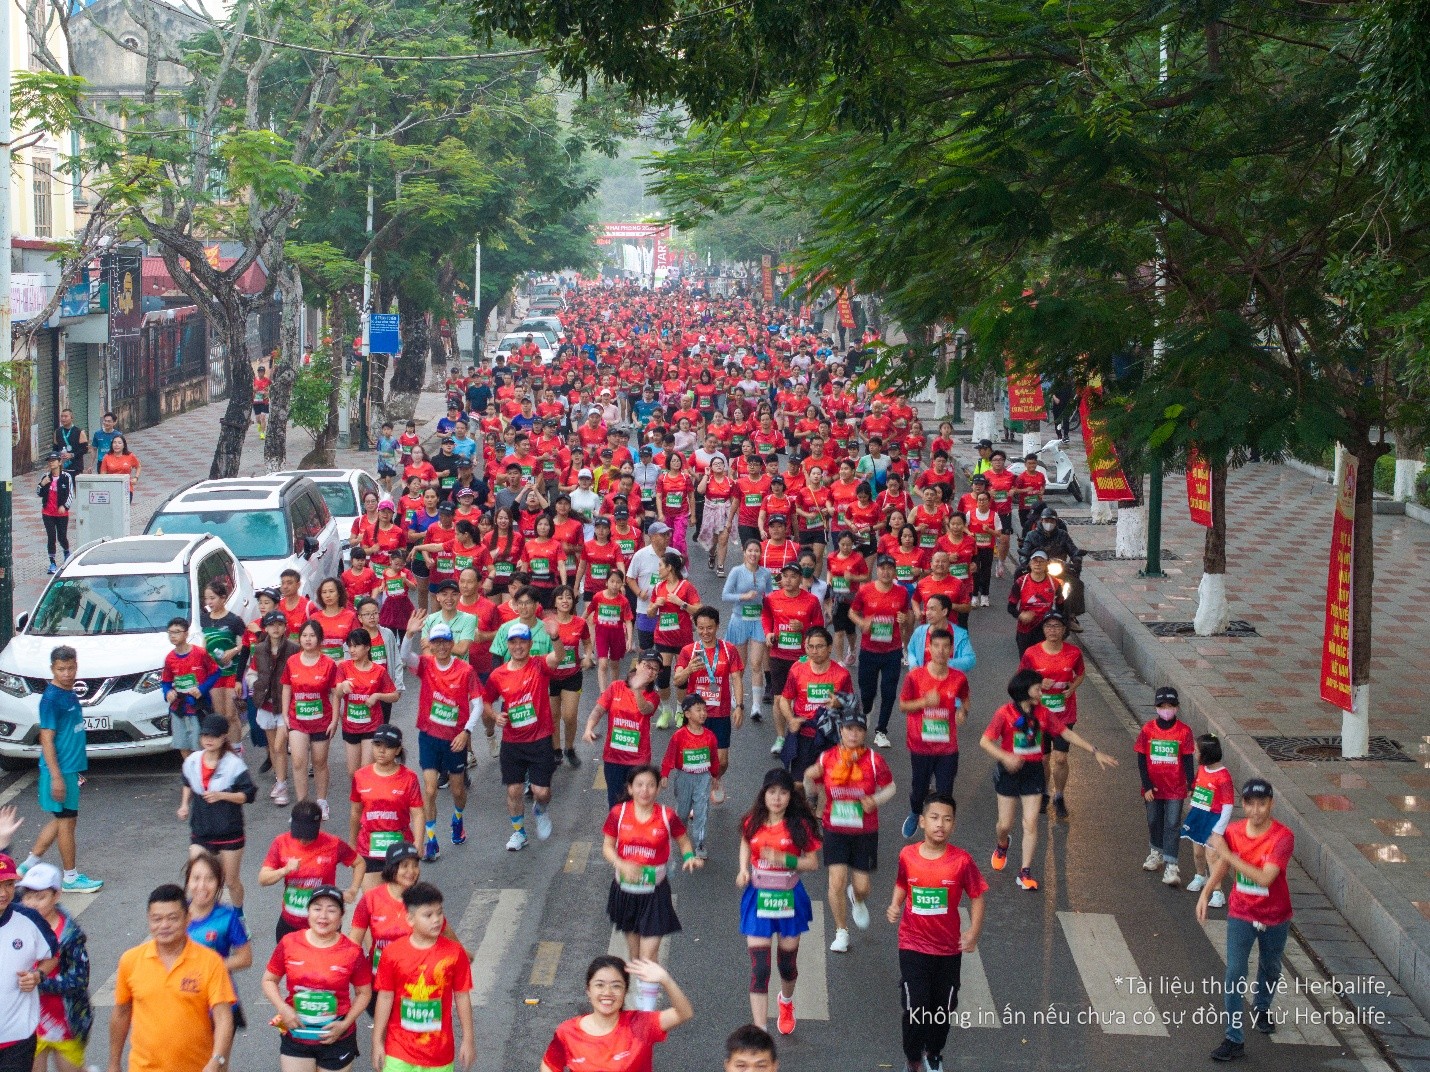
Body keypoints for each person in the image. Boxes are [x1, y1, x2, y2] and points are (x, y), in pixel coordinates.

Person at [979, 669, 1118, 892]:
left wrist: (1094, 751)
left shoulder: (1043, 714)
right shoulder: (1004, 713)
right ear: (1025, 690)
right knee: (1005, 824)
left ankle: (1025, 872)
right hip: (1009, 771)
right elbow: (985, 741)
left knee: (1031, 822)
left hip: (1033, 771)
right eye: (1037, 689)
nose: (1041, 693)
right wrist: (1005, 757)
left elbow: (1066, 733)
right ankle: (1002, 844)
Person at [886, 792, 987, 1072]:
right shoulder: (908, 855)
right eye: (934, 818)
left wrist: (973, 933)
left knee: (943, 1007)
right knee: (916, 1005)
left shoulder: (961, 861)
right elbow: (902, 883)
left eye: (947, 819)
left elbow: (977, 896)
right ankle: (913, 1058)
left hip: (947, 949)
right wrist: (895, 904)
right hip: (912, 944)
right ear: (921, 822)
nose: (940, 824)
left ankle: (934, 1053)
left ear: (953, 825)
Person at [1199, 779, 1296, 1062]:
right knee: (1234, 973)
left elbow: (1265, 877)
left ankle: (1262, 1007)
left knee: (1271, 967)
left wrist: (1227, 853)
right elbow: (1223, 866)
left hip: (1275, 915)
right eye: (1250, 804)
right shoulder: (1234, 831)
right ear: (1244, 805)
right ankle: (1233, 1037)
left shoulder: (1283, 837)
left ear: (1271, 804)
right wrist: (1206, 892)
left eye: (1262, 804)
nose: (1256, 811)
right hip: (1241, 912)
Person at [108, 884, 235, 1072]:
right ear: (148, 921)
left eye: (172, 918)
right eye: (156, 919)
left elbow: (223, 1018)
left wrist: (216, 1060)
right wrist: (113, 1063)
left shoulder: (210, 962)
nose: (164, 926)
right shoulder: (131, 960)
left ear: (187, 919)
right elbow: (121, 1014)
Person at [602, 765, 702, 1004]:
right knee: (636, 956)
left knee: (648, 954)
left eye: (650, 785)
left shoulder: (667, 816)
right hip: (625, 893)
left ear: (658, 789)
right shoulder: (619, 813)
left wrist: (689, 857)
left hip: (655, 894)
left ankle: (646, 1011)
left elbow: (683, 840)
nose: (644, 790)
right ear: (630, 788)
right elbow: (607, 846)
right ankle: (641, 991)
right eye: (639, 785)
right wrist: (621, 863)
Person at [736, 767, 822, 1035]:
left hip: (788, 896)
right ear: (763, 794)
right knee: (760, 969)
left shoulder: (800, 825)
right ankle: (760, 1029)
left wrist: (784, 859)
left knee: (787, 965)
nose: (777, 798)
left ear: (790, 796)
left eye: (783, 792)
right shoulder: (753, 821)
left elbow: (812, 863)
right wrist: (743, 869)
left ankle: (785, 1002)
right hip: (759, 896)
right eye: (772, 792)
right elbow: (745, 843)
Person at [803, 710, 896, 954]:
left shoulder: (874, 761)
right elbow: (810, 783)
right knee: (836, 880)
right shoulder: (828, 758)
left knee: (863, 885)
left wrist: (875, 800)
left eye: (858, 730)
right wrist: (808, 781)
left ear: (864, 733)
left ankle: (857, 897)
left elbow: (891, 787)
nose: (853, 734)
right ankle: (841, 931)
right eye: (849, 729)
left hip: (865, 830)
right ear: (841, 731)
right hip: (834, 827)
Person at [262, 885, 372, 1072]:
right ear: (308, 912)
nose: (323, 916)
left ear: (341, 916)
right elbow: (268, 980)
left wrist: (346, 1023)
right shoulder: (289, 943)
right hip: (297, 1034)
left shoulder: (352, 952)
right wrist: (283, 1008)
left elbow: (364, 992)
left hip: (337, 1037)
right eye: (317, 908)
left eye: (331, 910)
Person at [398, 615, 481, 861]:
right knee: (431, 789)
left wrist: (466, 732)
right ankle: (431, 839)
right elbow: (404, 658)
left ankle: (457, 818)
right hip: (429, 736)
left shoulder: (465, 670)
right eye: (437, 643)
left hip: (454, 739)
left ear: (452, 642)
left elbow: (477, 704)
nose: (442, 647)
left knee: (457, 790)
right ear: (431, 645)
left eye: (446, 642)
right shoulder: (426, 664)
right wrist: (409, 635)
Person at [20, 646, 102, 892]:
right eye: (61, 669)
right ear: (52, 669)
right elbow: (46, 739)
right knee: (66, 821)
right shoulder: (51, 699)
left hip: (69, 768)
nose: (67, 673)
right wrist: (56, 776)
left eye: (71, 668)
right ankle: (70, 877)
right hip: (60, 770)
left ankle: (27, 865)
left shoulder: (69, 693)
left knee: (62, 819)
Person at [372, 883, 476, 1072]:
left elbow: (462, 996)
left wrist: (468, 1040)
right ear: (410, 919)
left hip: (439, 1053)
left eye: (439, 912)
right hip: (399, 1050)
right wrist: (377, 1041)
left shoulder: (454, 953)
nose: (436, 920)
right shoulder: (392, 953)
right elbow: (385, 997)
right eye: (428, 915)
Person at [483, 621, 567, 851]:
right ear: (507, 645)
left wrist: (556, 636)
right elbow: (487, 701)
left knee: (542, 792)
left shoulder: (539, 665)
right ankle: (519, 833)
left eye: (522, 641)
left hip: (540, 739)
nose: (518, 646)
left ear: (530, 644)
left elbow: (558, 657)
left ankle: (540, 810)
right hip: (512, 742)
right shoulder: (498, 675)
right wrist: (494, 715)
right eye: (513, 642)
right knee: (514, 790)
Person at [540, 956, 692, 1072]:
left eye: (616, 986)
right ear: (588, 990)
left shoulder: (641, 1024)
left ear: (625, 991)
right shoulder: (567, 1032)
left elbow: (683, 1013)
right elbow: (549, 1065)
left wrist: (666, 980)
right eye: (599, 985)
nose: (607, 993)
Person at [896, 628, 971, 838]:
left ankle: (939, 831)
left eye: (945, 646)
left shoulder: (958, 678)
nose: (940, 651)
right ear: (928, 648)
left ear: (951, 650)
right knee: (919, 789)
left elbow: (965, 698)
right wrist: (924, 702)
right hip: (920, 744)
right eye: (936, 646)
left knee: (945, 790)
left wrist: (962, 711)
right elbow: (903, 706)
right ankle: (914, 813)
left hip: (947, 746)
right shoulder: (915, 677)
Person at [178, 715, 257, 908]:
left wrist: (222, 796)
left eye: (213, 736)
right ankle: (200, 917)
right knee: (196, 878)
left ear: (224, 737)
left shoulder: (234, 764)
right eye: (205, 735)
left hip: (229, 832)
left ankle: (239, 916)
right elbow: (187, 782)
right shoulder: (193, 761)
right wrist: (184, 805)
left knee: (231, 882)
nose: (208, 740)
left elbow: (248, 795)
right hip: (201, 831)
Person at [258, 802, 363, 943]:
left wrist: (353, 890)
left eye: (308, 835)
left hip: (324, 924)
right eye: (299, 834)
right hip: (290, 923)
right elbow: (263, 879)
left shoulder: (332, 843)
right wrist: (285, 870)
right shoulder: (281, 842)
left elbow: (359, 863)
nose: (303, 839)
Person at [672, 606, 744, 806]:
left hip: (720, 713)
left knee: (722, 762)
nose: (705, 632)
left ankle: (714, 779)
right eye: (701, 628)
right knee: (695, 759)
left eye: (709, 628)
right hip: (695, 715)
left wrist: (739, 706)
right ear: (696, 627)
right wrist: (688, 670)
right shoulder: (689, 651)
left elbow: (737, 678)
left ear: (718, 626)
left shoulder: (729, 650)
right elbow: (677, 679)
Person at [1017, 611, 1084, 818]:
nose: (1052, 630)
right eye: (1048, 626)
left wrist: (1072, 688)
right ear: (1043, 630)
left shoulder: (1073, 653)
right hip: (1040, 715)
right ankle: (1044, 793)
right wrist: (1036, 683)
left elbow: (1080, 674)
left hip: (1064, 714)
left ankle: (1060, 795)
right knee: (1044, 759)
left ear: (1064, 630)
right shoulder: (1032, 653)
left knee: (1061, 758)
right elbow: (1021, 679)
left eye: (1057, 626)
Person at [3, 861, 66, 1072]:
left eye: (9, 884)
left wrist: (37, 975)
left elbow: (53, 955)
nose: (3, 892)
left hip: (18, 1037)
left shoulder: (29, 919)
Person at [848, 554, 913, 749]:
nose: (886, 571)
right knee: (867, 693)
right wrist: (862, 623)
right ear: (877, 570)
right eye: (882, 567)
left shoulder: (902, 592)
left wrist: (904, 619)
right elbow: (852, 612)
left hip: (892, 651)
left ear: (894, 571)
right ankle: (867, 711)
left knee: (889, 692)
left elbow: (908, 616)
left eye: (889, 568)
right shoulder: (866, 590)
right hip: (869, 650)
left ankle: (881, 730)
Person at [1135, 686, 1197, 887]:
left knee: (1172, 824)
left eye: (1171, 706)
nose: (1167, 710)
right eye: (1163, 706)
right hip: (1152, 788)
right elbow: (1141, 759)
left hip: (1176, 789)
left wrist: (1190, 783)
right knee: (1154, 820)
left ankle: (1171, 864)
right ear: (1156, 707)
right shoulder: (1147, 730)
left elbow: (1188, 759)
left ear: (1177, 707)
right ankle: (1156, 852)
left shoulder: (1184, 732)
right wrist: (1147, 786)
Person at [349, 725, 424, 890]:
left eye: (388, 746)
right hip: (368, 848)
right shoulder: (360, 776)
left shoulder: (409, 778)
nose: (381, 751)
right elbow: (355, 812)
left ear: (397, 750)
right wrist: (352, 845)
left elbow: (417, 813)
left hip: (400, 848)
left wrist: (419, 841)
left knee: (400, 903)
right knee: (372, 903)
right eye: (377, 745)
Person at [184, 853, 252, 1033]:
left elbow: (245, 959)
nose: (202, 886)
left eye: (209, 879)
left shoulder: (228, 917)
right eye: (196, 878)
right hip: (183, 1002)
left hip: (220, 1001)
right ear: (188, 881)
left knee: (217, 1061)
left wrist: (209, 967)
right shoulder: (176, 914)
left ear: (219, 883)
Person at [763, 564, 825, 756]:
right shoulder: (772, 599)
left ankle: (802, 734)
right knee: (779, 698)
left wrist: (804, 627)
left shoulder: (811, 601)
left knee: (800, 698)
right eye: (785, 576)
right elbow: (765, 617)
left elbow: (819, 627)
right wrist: (768, 633)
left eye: (793, 576)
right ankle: (781, 737)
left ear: (800, 579)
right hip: (779, 654)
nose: (788, 580)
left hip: (803, 657)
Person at [586, 653, 662, 809]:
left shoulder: (653, 696)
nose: (650, 671)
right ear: (638, 664)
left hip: (638, 761)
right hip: (614, 759)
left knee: (638, 804)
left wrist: (637, 690)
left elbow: (645, 709)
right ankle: (617, 833)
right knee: (616, 806)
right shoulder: (616, 687)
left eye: (655, 669)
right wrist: (589, 727)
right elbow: (599, 709)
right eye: (647, 665)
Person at [281, 620, 341, 813]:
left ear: (320, 639)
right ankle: (302, 805)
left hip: (322, 721)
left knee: (319, 762)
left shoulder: (329, 664)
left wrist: (334, 720)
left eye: (312, 636)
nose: (307, 639)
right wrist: (284, 714)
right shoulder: (292, 661)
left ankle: (322, 801)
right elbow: (286, 688)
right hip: (297, 720)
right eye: (304, 635)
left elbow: (336, 693)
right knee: (298, 761)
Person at [250, 610, 300, 804]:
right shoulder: (260, 648)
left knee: (280, 745)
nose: (276, 628)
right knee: (273, 746)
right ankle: (281, 782)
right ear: (266, 628)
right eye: (271, 625)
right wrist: (255, 685)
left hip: (285, 704)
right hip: (265, 702)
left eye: (279, 624)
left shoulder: (294, 649)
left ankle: (282, 785)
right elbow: (253, 671)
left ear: (285, 626)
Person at [1181, 733, 1234, 909]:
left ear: (1207, 754)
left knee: (1212, 855)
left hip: (1214, 819)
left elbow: (1228, 806)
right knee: (1197, 852)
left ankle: (1218, 892)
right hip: (1199, 815)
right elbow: (1197, 788)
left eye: (1197, 751)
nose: (1195, 754)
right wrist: (1193, 802)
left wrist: (1218, 830)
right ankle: (1200, 875)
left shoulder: (1224, 777)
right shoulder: (1202, 770)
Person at [723, 541, 773, 724]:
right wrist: (743, 597)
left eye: (756, 551)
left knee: (756, 663)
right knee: (740, 665)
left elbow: (770, 595)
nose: (753, 554)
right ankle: (736, 700)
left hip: (758, 620)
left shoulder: (765, 573)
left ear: (760, 553)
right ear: (744, 553)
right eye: (750, 550)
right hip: (739, 620)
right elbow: (725, 595)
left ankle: (756, 706)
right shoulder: (736, 571)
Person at [201, 581, 248, 747]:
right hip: (214, 673)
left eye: (212, 598)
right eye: (206, 598)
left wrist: (233, 651)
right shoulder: (204, 620)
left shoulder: (233, 620)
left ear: (223, 597)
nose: (209, 602)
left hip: (232, 671)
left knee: (231, 714)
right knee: (219, 715)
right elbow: (204, 645)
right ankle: (222, 749)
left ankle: (236, 749)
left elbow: (246, 643)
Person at [37, 453, 74, 574]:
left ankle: (66, 551)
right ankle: (52, 562)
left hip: (62, 514)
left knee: (62, 536)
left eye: (54, 460)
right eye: (49, 461)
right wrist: (42, 484)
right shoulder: (45, 476)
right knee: (51, 537)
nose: (51, 463)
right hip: (47, 513)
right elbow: (39, 492)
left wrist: (64, 506)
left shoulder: (66, 476)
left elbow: (70, 494)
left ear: (59, 462)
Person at [98, 432, 141, 498]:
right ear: (112, 445)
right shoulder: (107, 457)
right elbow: (103, 474)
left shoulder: (130, 456)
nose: (116, 445)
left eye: (119, 443)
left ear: (124, 445)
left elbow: (138, 466)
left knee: (125, 507)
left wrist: (136, 478)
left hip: (127, 489)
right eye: (114, 443)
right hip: (111, 489)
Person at [253, 365, 272, 439]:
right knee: (258, 419)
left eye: (262, 372)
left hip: (264, 401)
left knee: (263, 417)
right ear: (257, 372)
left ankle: (262, 433)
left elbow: (272, 387)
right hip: (256, 401)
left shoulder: (267, 380)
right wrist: (254, 389)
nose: (261, 373)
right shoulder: (254, 380)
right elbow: (251, 389)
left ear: (264, 372)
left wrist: (267, 392)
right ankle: (259, 425)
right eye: (260, 372)